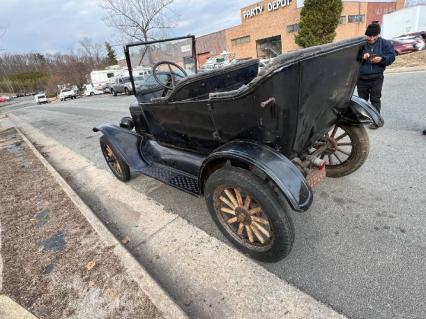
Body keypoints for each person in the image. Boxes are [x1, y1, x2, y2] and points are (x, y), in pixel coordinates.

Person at [357, 23, 395, 128]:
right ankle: (363, 118)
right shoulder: (361, 44)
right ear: (366, 34)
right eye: (370, 36)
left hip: (377, 77)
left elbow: (391, 57)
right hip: (361, 78)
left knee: (375, 99)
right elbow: (352, 57)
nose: (372, 38)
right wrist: (361, 57)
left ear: (379, 34)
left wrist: (381, 59)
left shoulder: (385, 43)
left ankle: (376, 120)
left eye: (375, 36)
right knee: (362, 100)